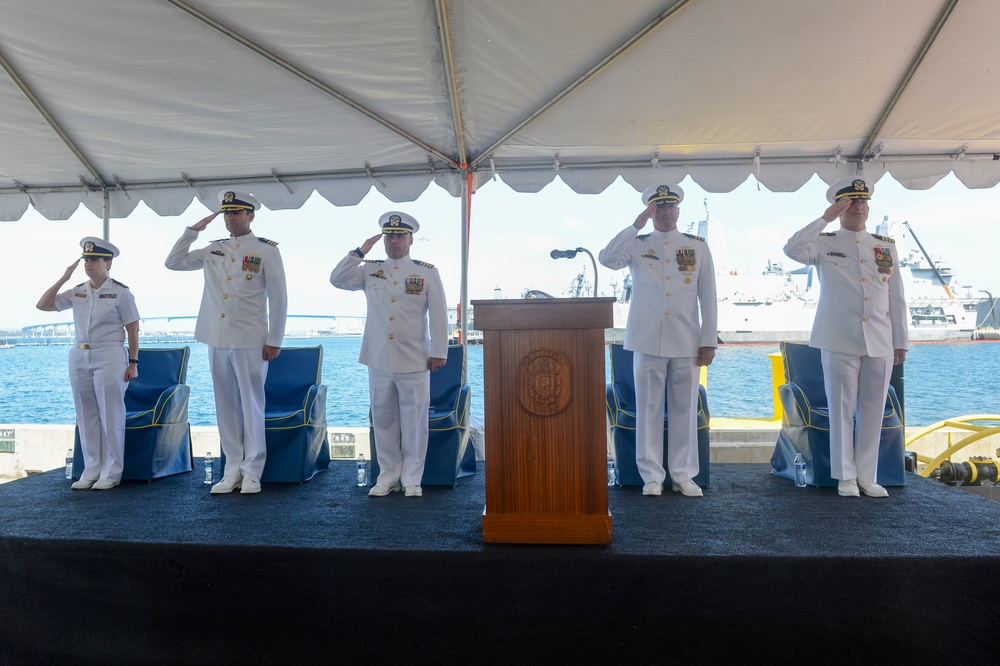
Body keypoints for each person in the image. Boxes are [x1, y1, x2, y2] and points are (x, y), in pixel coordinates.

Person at [783, 176, 908, 498]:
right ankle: (845, 477)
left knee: (873, 410)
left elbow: (896, 299)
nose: (859, 208)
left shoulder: (885, 246)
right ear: (841, 208)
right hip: (839, 338)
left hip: (879, 339)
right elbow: (792, 249)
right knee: (840, 409)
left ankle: (867, 475)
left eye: (863, 202)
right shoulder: (824, 242)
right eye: (851, 203)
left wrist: (900, 342)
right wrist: (825, 217)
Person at [599, 184, 718, 497]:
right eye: (659, 208)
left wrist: (709, 340)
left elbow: (709, 297)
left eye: (670, 207)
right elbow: (607, 259)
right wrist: (636, 224)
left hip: (687, 341)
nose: (665, 212)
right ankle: (651, 475)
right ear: (652, 212)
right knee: (648, 410)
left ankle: (682, 475)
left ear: (678, 210)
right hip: (648, 340)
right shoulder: (637, 244)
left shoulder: (697, 247)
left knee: (684, 409)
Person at [165, 190, 287, 495]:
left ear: (251, 216)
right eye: (226, 213)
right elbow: (173, 262)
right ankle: (232, 468)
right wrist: (193, 231)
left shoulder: (266, 251)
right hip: (217, 338)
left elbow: (279, 298)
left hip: (250, 340)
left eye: (236, 213)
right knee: (226, 407)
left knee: (252, 406)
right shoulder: (212, 249)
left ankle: (253, 471)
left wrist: (275, 339)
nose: (231, 218)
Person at [330, 211, 448, 498]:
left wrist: (438, 351)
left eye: (400, 236)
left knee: (415, 422)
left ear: (410, 239)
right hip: (379, 358)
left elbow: (440, 315)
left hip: (415, 359)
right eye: (390, 236)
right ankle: (388, 476)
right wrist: (359, 252)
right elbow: (337, 280)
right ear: (384, 240)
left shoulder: (426, 272)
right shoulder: (369, 269)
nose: (394, 241)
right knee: (383, 419)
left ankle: (412, 479)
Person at [37, 237, 140, 490]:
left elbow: (133, 328)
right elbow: (43, 305)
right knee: (86, 415)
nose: (89, 263)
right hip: (80, 355)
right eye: (86, 259)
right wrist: (64, 278)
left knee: (111, 415)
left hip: (110, 355)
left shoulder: (120, 292)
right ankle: (92, 467)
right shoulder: (78, 291)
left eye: (94, 259)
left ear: (109, 264)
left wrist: (133, 362)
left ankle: (112, 471)